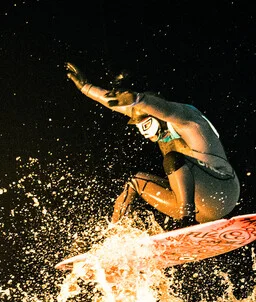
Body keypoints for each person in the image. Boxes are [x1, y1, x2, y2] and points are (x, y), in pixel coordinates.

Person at [66, 62, 239, 228]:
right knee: (135, 183)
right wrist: (86, 87)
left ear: (157, 116)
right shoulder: (155, 126)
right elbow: (116, 104)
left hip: (222, 190)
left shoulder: (188, 120)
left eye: (146, 125)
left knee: (172, 159)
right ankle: (113, 234)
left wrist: (138, 99)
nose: (145, 134)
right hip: (198, 207)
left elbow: (166, 109)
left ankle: (186, 221)